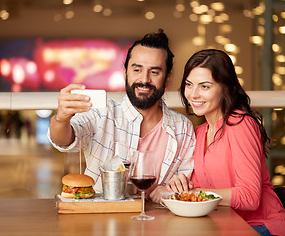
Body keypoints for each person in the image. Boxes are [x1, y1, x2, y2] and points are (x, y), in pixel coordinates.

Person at [48, 29, 195, 202]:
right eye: (137, 70)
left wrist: (173, 188)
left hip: (161, 222)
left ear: (167, 79)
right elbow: (63, 140)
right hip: (102, 221)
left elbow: (183, 186)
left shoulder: (183, 128)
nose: (144, 79)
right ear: (125, 73)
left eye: (154, 72)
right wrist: (61, 118)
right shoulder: (102, 113)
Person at [166, 49, 285, 236]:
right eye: (189, 84)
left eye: (205, 86)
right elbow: (199, 189)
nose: (193, 94)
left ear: (225, 88)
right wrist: (180, 185)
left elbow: (249, 197)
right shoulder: (200, 133)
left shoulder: (240, 123)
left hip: (261, 227)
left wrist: (194, 194)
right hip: (226, 227)